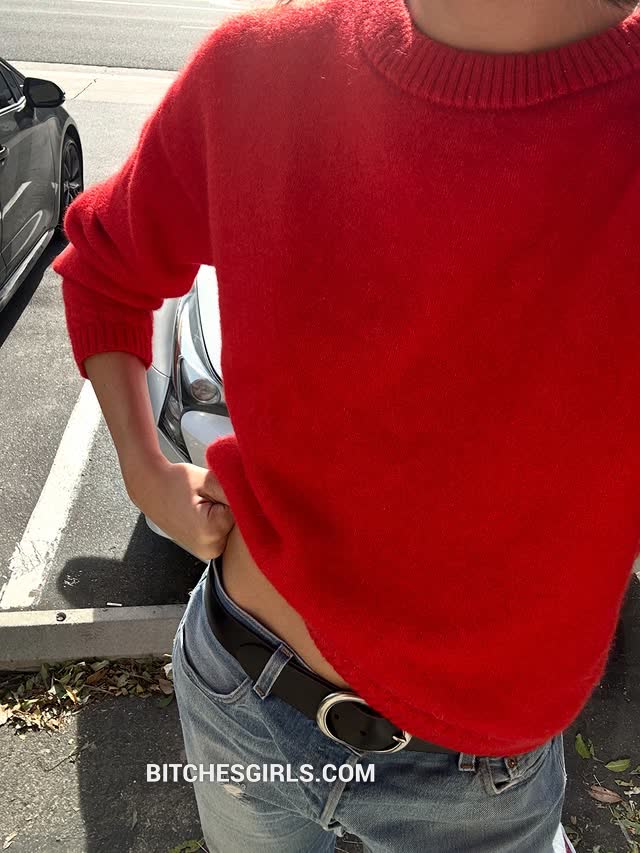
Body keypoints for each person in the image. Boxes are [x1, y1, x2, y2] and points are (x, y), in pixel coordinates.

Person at [52, 0, 640, 848]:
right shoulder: (262, 69)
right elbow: (105, 263)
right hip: (239, 691)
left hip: (480, 782)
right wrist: (146, 471)